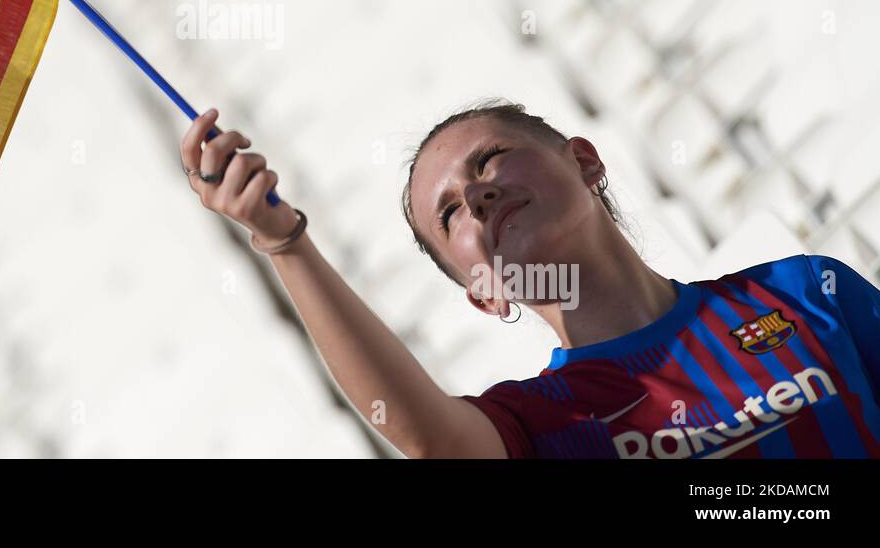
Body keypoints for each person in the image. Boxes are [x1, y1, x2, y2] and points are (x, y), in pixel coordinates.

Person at [179, 98, 880, 458]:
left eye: (489, 162)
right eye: (449, 212)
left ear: (584, 161)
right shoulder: (541, 427)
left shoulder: (803, 290)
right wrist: (286, 243)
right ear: (482, 293)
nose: (476, 196)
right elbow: (429, 439)